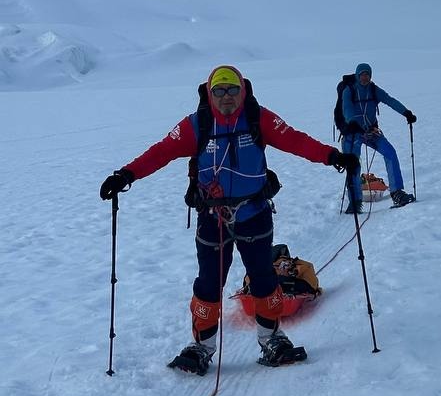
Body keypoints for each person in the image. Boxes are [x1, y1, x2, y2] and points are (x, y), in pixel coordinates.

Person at [99, 65, 360, 374]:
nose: (227, 97)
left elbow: (295, 140)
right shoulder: (197, 125)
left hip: (254, 214)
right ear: (210, 94)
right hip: (212, 218)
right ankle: (202, 346)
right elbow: (161, 152)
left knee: (263, 279)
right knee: (208, 283)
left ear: (243, 91)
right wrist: (125, 175)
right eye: (219, 91)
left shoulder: (258, 118)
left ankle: (272, 340)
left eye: (233, 90)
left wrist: (333, 157)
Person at [338, 62, 416, 213]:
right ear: (357, 75)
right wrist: (351, 121)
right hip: (353, 132)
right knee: (353, 164)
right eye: (362, 74)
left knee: (390, 153)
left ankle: (397, 193)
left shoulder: (374, 90)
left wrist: (406, 112)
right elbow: (346, 107)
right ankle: (355, 201)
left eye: (367, 74)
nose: (365, 77)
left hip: (371, 131)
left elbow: (390, 100)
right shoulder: (349, 90)